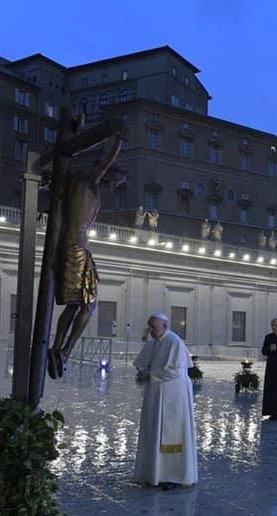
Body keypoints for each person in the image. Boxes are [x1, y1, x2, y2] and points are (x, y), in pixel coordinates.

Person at [47, 131, 124, 379]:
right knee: (89, 307)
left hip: (75, 248)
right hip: (76, 249)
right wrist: (117, 139)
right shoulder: (89, 180)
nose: (113, 187)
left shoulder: (76, 184)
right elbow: (104, 162)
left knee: (73, 305)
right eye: (115, 182)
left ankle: (57, 349)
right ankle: (65, 351)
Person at [133, 313, 197, 489]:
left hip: (173, 396)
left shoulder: (174, 342)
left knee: (171, 433)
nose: (151, 330)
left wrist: (149, 375)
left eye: (154, 327)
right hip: (156, 394)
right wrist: (142, 371)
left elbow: (176, 372)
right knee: (154, 431)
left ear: (165, 325)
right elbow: (143, 362)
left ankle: (173, 476)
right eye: (150, 327)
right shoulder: (154, 341)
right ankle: (154, 473)